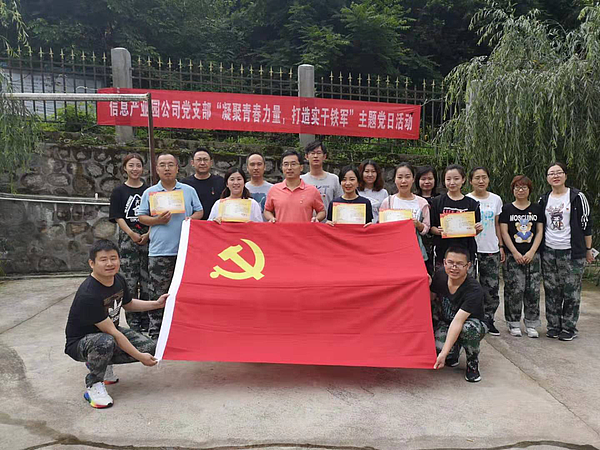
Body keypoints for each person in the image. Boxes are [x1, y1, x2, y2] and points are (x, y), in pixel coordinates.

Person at [64, 239, 168, 408]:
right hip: (82, 343)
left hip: (109, 333)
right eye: (103, 259)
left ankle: (101, 362)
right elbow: (113, 333)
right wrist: (139, 357)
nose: (109, 263)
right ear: (92, 263)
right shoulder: (88, 294)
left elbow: (128, 304)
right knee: (105, 342)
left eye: (113, 258)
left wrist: (156, 304)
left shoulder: (118, 279)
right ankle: (94, 384)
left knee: (150, 347)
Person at [138, 153, 204, 340]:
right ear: (156, 169)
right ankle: (156, 333)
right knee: (158, 292)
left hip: (185, 252)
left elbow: (200, 211)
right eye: (162, 165)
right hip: (159, 251)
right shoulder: (150, 192)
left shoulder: (188, 190)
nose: (167, 168)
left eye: (170, 165)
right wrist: (156, 220)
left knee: (186, 292)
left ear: (177, 168)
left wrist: (191, 218)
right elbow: (141, 217)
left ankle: (184, 329)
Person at [539, 162, 594, 341]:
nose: (555, 176)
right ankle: (553, 326)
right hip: (549, 251)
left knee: (571, 291)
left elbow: (586, 225)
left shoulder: (577, 197)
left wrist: (588, 249)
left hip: (572, 252)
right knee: (551, 290)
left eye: (559, 172)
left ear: (565, 175)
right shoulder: (544, 199)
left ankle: (569, 327)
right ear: (547, 178)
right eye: (551, 173)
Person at [430, 246, 487, 383]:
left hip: (470, 324)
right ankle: (453, 352)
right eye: (450, 262)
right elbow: (430, 300)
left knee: (467, 330)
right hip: (447, 321)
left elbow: (458, 322)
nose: (454, 268)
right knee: (437, 347)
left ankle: (472, 364)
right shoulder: (440, 275)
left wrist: (443, 354)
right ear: (444, 262)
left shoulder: (474, 289)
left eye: (460, 264)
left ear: (468, 266)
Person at [108, 153, 150, 333]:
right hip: (127, 239)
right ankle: (134, 324)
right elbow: (118, 216)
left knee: (147, 281)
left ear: (143, 168)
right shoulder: (118, 191)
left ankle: (147, 321)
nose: (135, 169)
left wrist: (148, 233)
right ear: (125, 168)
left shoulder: (149, 191)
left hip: (148, 237)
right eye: (131, 165)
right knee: (129, 283)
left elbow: (155, 215)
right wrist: (131, 233)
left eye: (138, 165)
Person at [500, 175, 544, 338]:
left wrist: (532, 251)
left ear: (529, 190)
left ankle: (531, 323)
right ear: (513, 190)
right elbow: (504, 232)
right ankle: (513, 323)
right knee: (514, 289)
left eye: (524, 187)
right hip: (513, 256)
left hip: (533, 255)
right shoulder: (507, 209)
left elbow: (539, 231)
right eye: (517, 187)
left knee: (533, 290)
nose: (520, 190)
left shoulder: (537, 209)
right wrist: (514, 252)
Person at [466, 167, 505, 336]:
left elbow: (497, 224)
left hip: (491, 249)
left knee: (491, 287)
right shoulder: (466, 199)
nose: (481, 181)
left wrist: (501, 246)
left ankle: (489, 319)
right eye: (477, 178)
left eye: (484, 177)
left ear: (488, 179)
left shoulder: (496, 199)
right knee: (470, 285)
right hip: (471, 249)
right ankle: (471, 318)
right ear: (470, 181)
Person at [430, 164, 483, 269]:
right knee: (442, 278)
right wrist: (438, 231)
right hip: (443, 251)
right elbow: (431, 228)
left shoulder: (472, 204)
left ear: (463, 180)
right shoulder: (437, 202)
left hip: (466, 250)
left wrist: (478, 229)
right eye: (448, 179)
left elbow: (474, 229)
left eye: (456, 179)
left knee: (465, 278)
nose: (452, 182)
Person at [379, 162, 430, 262]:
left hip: (414, 252)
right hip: (392, 251)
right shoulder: (388, 202)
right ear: (395, 179)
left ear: (413, 179)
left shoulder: (422, 203)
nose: (403, 181)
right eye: (400, 177)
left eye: (407, 177)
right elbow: (381, 226)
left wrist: (418, 224)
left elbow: (426, 228)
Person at [264, 150, 325, 223]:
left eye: (293, 164)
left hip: (304, 230)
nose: (289, 168)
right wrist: (271, 218)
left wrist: (317, 218)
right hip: (281, 230)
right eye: (286, 164)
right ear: (282, 167)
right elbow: (267, 210)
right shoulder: (274, 190)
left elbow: (322, 211)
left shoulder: (312, 191)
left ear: (301, 167)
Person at [181, 147, 225, 220]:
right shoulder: (185, 184)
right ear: (192, 163)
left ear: (211, 163)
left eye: (205, 160)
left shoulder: (221, 182)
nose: (202, 163)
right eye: (199, 160)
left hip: (215, 224)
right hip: (192, 223)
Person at [300, 140, 343, 215]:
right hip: (306, 221)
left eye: (319, 153)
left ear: (324, 156)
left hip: (329, 221)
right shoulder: (301, 180)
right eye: (312, 153)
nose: (315, 156)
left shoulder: (334, 179)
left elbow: (340, 203)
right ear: (306, 156)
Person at [415, 165, 439, 273]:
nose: (427, 182)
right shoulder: (413, 199)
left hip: (436, 242)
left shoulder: (440, 198)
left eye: (430, 178)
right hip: (418, 242)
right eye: (423, 179)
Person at [245, 152, 273, 216]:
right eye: (252, 164)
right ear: (247, 168)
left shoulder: (273, 189)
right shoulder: (242, 188)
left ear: (264, 167)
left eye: (259, 164)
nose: (256, 168)